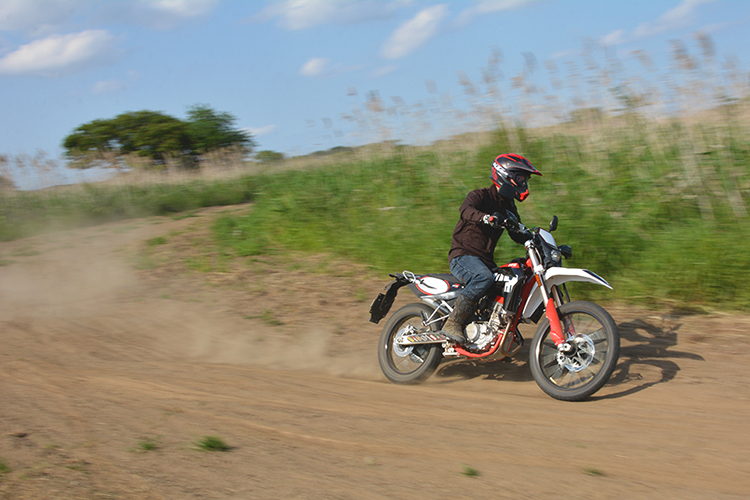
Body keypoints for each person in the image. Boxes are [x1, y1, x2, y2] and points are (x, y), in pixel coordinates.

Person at [441, 153, 542, 344]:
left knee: (511, 281)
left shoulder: (509, 206)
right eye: (520, 177)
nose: (523, 183)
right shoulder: (480, 196)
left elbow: (517, 233)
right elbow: (466, 211)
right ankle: (452, 323)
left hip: (485, 261)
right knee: (483, 278)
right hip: (463, 256)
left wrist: (536, 239)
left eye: (525, 179)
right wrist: (487, 218)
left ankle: (492, 331)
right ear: (505, 174)